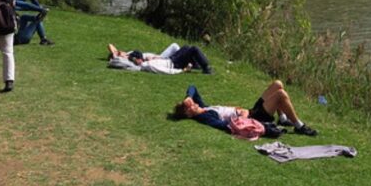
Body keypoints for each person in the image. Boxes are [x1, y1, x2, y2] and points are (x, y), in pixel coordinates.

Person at [171, 80, 318, 136]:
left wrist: (188, 97)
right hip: (255, 117)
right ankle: (300, 126)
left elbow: (192, 87)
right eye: (191, 107)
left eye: (192, 103)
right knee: (280, 94)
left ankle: (283, 118)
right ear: (189, 115)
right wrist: (240, 118)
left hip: (252, 110)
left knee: (277, 84)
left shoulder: (203, 108)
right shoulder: (206, 117)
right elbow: (224, 125)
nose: (194, 104)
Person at [108, 42, 212, 75]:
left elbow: (110, 46)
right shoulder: (147, 65)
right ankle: (206, 68)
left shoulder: (141, 61)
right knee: (193, 49)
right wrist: (182, 70)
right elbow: (166, 71)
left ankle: (197, 65)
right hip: (174, 64)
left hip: (170, 60)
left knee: (186, 47)